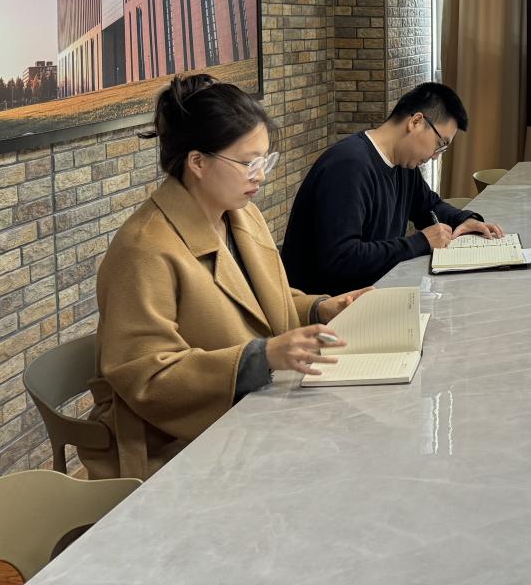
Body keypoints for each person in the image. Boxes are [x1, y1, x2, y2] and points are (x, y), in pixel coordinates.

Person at [82, 74, 370, 480]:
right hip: (175, 443)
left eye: (265, 160)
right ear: (197, 162)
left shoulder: (241, 215)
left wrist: (320, 309)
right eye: (249, 163)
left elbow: (260, 300)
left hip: (249, 414)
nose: (260, 175)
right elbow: (147, 375)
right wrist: (261, 357)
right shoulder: (144, 247)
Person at [283, 82, 504, 295]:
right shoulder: (348, 166)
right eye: (440, 144)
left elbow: (428, 206)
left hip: (371, 292)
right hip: (328, 308)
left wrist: (464, 219)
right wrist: (420, 242)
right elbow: (342, 259)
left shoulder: (403, 165)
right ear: (416, 122)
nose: (435, 156)